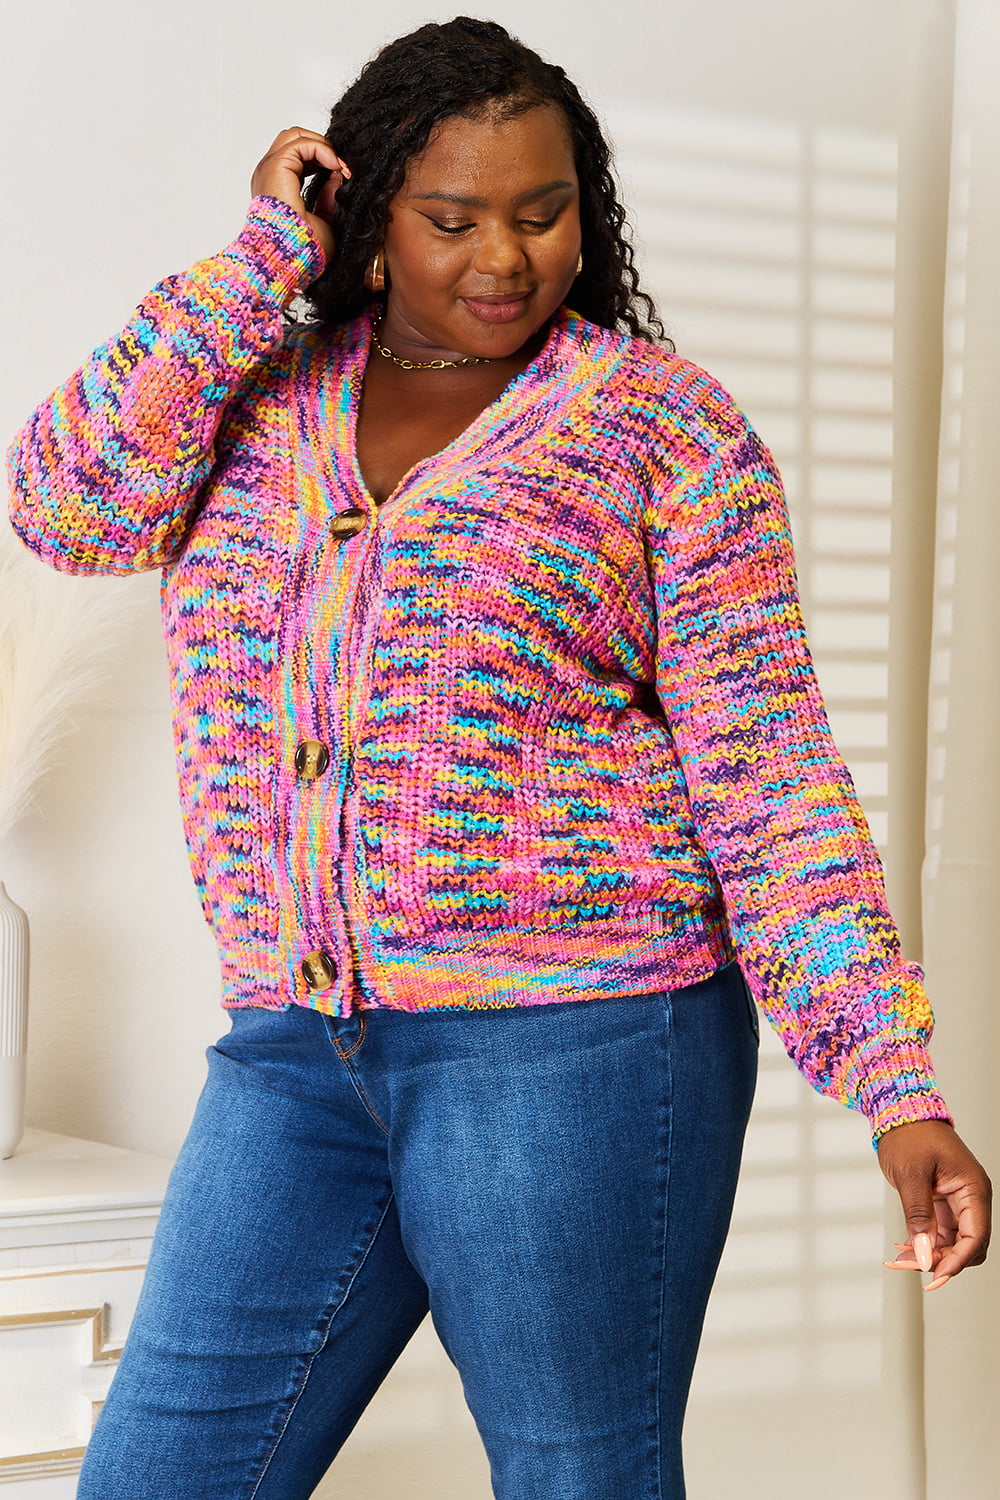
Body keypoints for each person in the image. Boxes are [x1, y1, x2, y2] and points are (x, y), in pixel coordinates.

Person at [5, 15, 991, 1500]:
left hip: (579, 1042)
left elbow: (770, 773)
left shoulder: (661, 431)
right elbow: (66, 504)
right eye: (453, 218)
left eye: (543, 214)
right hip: (293, 1047)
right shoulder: (258, 393)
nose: (505, 258)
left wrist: (894, 1085)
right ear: (366, 216)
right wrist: (253, 266)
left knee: (577, 1481)